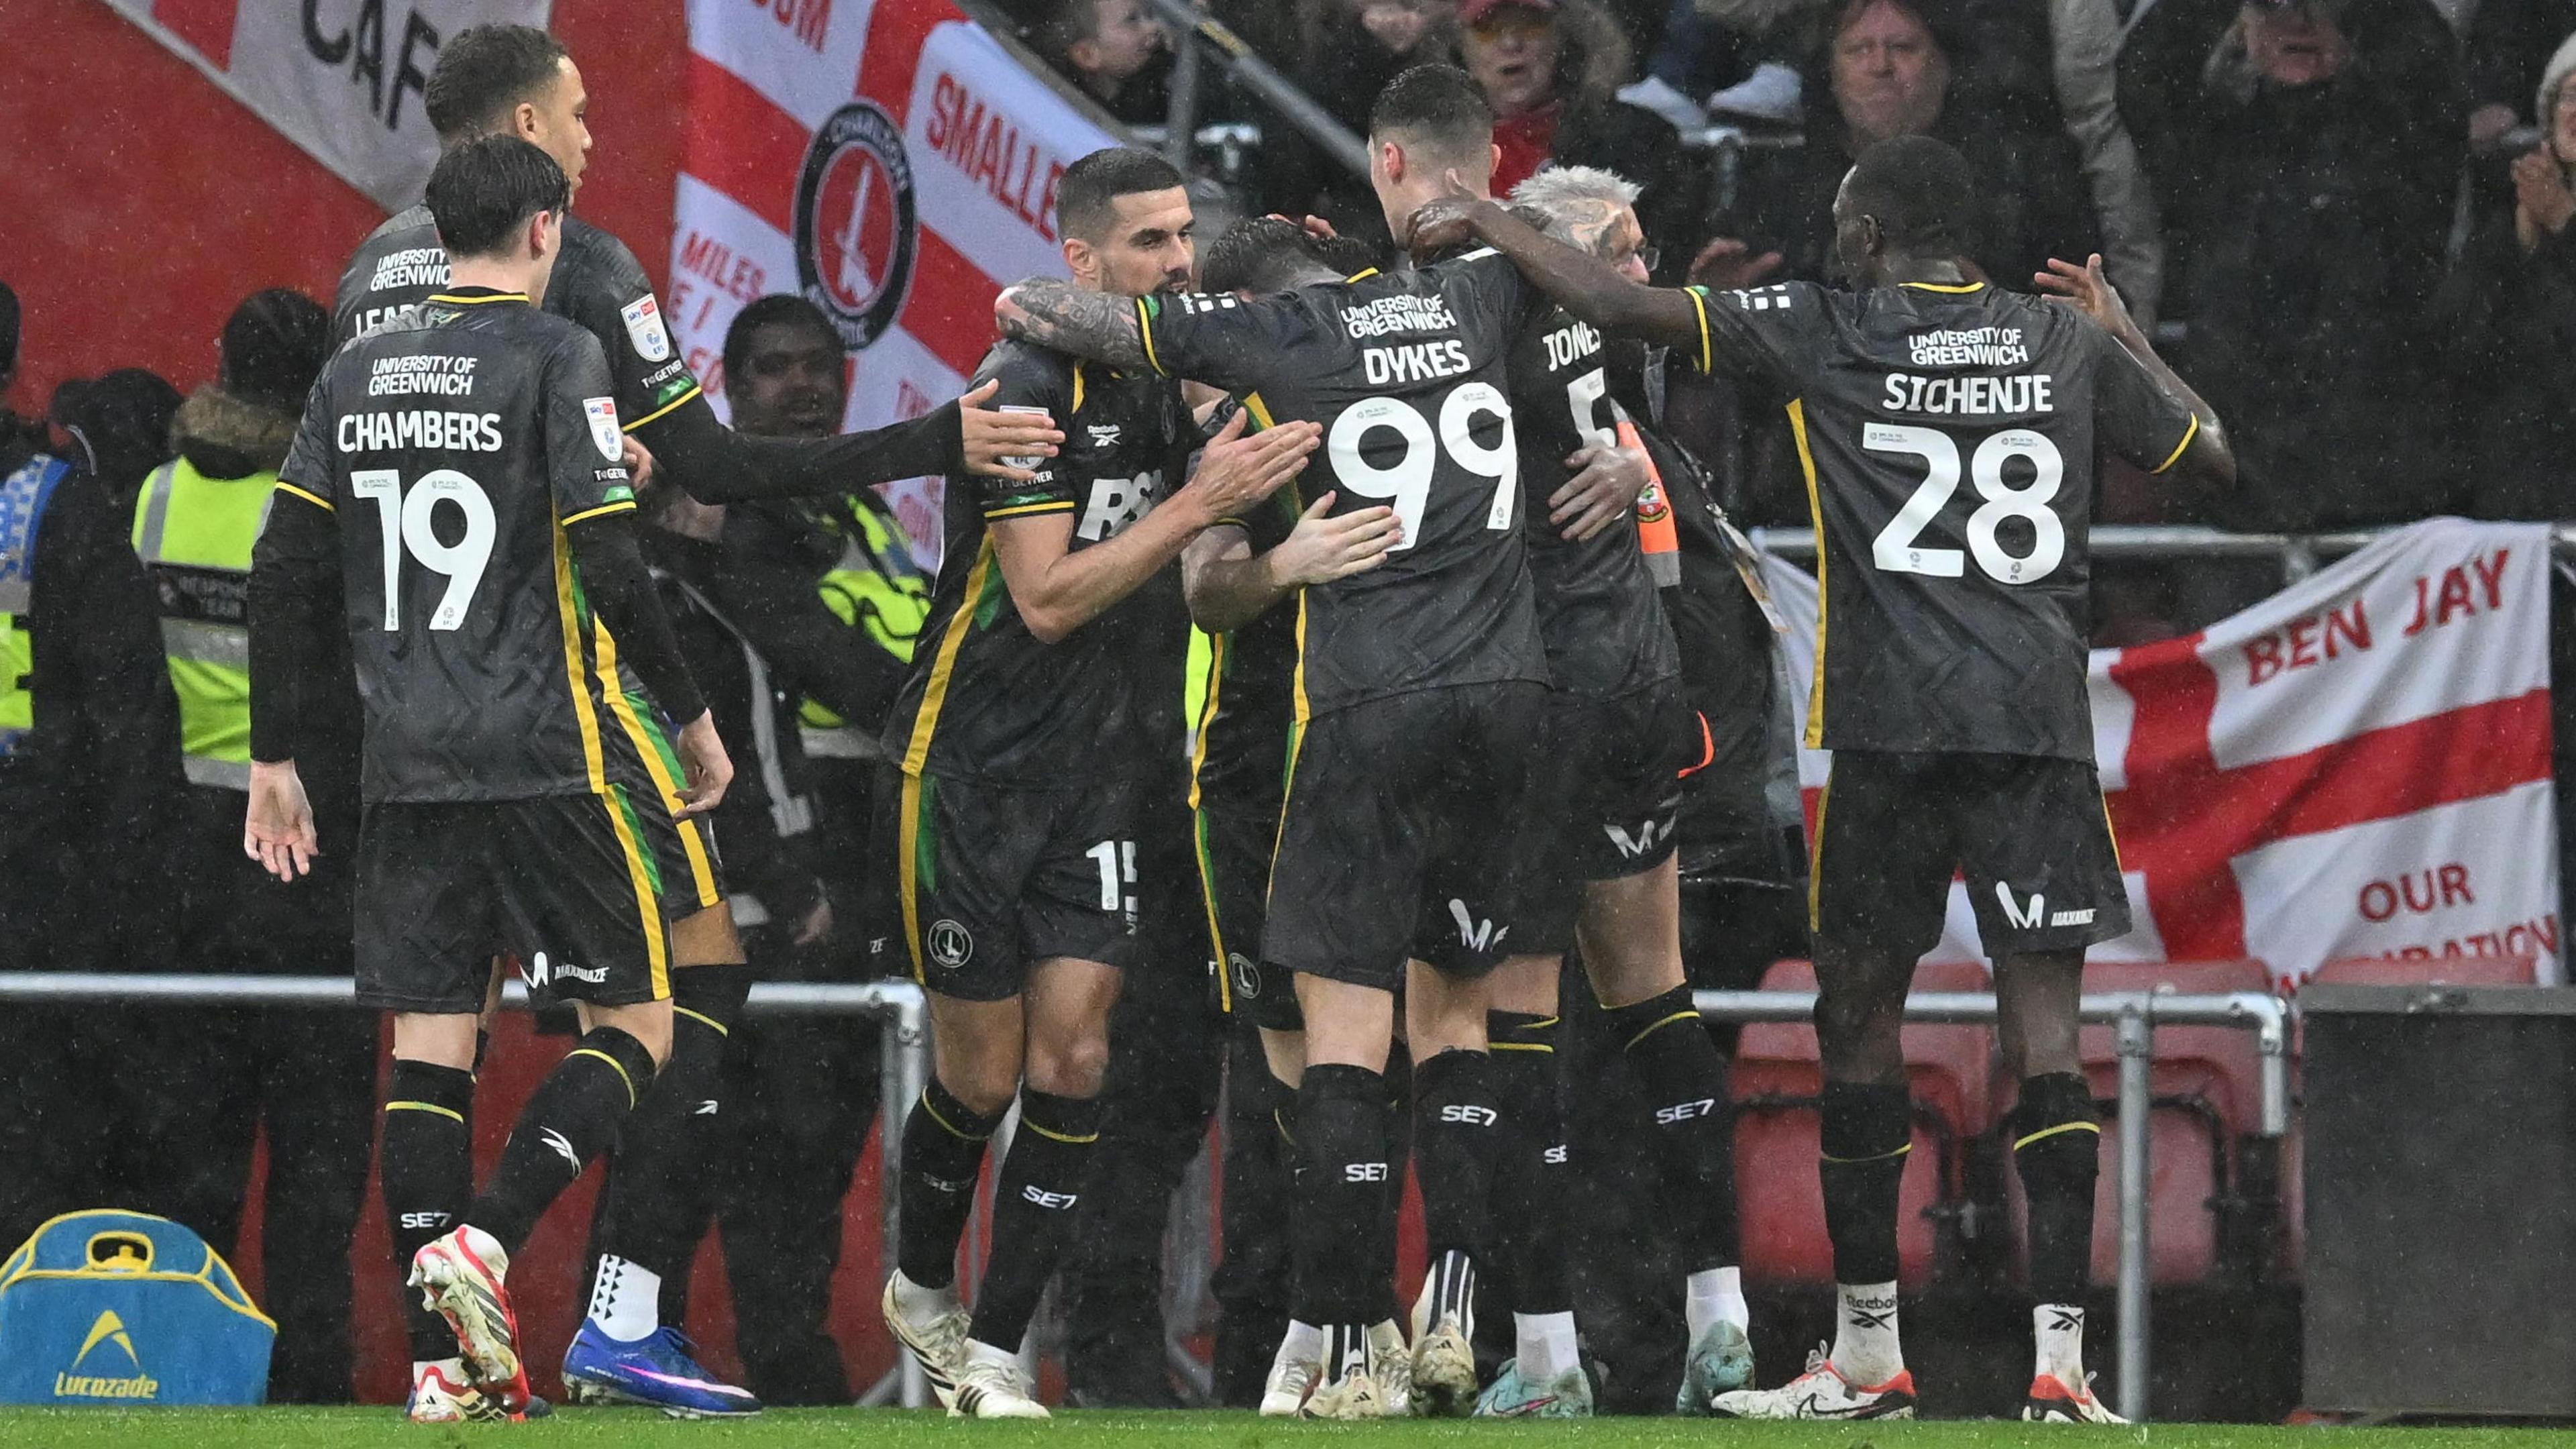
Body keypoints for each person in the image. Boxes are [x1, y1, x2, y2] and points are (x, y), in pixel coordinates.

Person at [1403, 131, 2233, 1422]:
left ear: (1867, 235)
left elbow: (1621, 305)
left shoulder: (1828, 327)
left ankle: (1865, 1356)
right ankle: (2062, 1369)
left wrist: (1496, 222)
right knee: (2048, 1044)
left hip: (1893, 735)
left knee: (1860, 1025)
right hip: (2034, 732)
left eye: (1845, 217)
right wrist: (2125, 335)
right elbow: (2214, 460)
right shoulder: (2058, 340)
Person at [327, 27, 1059, 1413]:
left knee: (438, 1030)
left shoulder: (368, 271)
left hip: (413, 715)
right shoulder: (583, 268)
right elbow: (713, 468)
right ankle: (608, 1305)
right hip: (568, 705)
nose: (598, 138)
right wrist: (930, 442)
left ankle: (448, 1357)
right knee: (691, 989)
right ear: (534, 124)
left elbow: (329, 525)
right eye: (586, 114)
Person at [995, 69, 1567, 1419]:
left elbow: (1071, 322)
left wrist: (1045, 302)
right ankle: (1416, 1328)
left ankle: (1361, 1346)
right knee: (1448, 1034)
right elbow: (1592, 301)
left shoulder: (1284, 359)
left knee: (1337, 1055)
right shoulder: (1488, 302)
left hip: (1351, 729)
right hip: (1477, 709)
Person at [247, 136, 733, 1424]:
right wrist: (688, 714)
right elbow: (614, 569)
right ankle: (489, 1241)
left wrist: (273, 756)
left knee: (428, 1049)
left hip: (403, 766)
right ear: (545, 230)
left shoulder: (353, 372)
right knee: (641, 1024)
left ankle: (438, 1364)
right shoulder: (556, 353)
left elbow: (283, 565)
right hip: (547, 755)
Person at [875, 146, 1319, 1421]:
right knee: (980, 1077)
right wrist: (1202, 502)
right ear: (1081, 264)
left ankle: (997, 1352)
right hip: (970, 770)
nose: (1176, 262)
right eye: (1148, 244)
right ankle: (920, 1281)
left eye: (1183, 238)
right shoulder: (1020, 388)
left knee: (1076, 1064)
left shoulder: (1184, 387)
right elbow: (1049, 599)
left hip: (1105, 783)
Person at [1454, 164, 1754, 1420]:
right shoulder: (1600, 385)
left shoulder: (1556, 382)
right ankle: (1711, 1326)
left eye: (1643, 250)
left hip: (1553, 721)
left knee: (1515, 1038)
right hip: (1638, 724)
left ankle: (1551, 1357)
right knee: (1648, 1021)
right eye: (1618, 252)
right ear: (1550, 254)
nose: (1641, 275)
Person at [123, 288, 377, 1403]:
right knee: (318, 1162)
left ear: (219, 367)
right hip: (308, 858)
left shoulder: (155, 497)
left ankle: (189, 1379)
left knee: (197, 1150)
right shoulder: (327, 508)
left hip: (186, 859)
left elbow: (127, 687)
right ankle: (310, 1383)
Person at [0, 280, 186, 1257]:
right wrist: (123, 892)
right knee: (34, 1151)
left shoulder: (65, 512)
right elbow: (130, 721)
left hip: (42, 885)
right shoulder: (62, 513)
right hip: (40, 882)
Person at [2133, 0, 2461, 529]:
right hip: (2239, 476)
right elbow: (2145, 72)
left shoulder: (2402, 139)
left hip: (2375, 473)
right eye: (2275, 9)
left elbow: (2427, 57)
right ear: (2242, 30)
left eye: (2319, 9)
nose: (2299, 25)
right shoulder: (2209, 145)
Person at [1456, 0, 1707, 267]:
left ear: (1563, 35)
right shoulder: (1435, 146)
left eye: (1529, 24)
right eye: (1489, 28)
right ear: (1462, 47)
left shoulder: (1634, 139)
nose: (1511, 43)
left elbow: (1660, 260)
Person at [2440, 30, 2576, 520]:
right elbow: (2460, 347)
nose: (2575, 111)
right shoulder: (2505, 224)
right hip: (2512, 502)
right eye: (2569, 95)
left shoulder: (2553, 215)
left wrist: (2565, 227)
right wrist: (2523, 241)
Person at [1036, 0, 1171, 123]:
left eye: (1150, 15)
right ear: (1087, 55)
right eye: (1132, 21)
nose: (1154, 27)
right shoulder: (1075, 116)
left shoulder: (1160, 82)